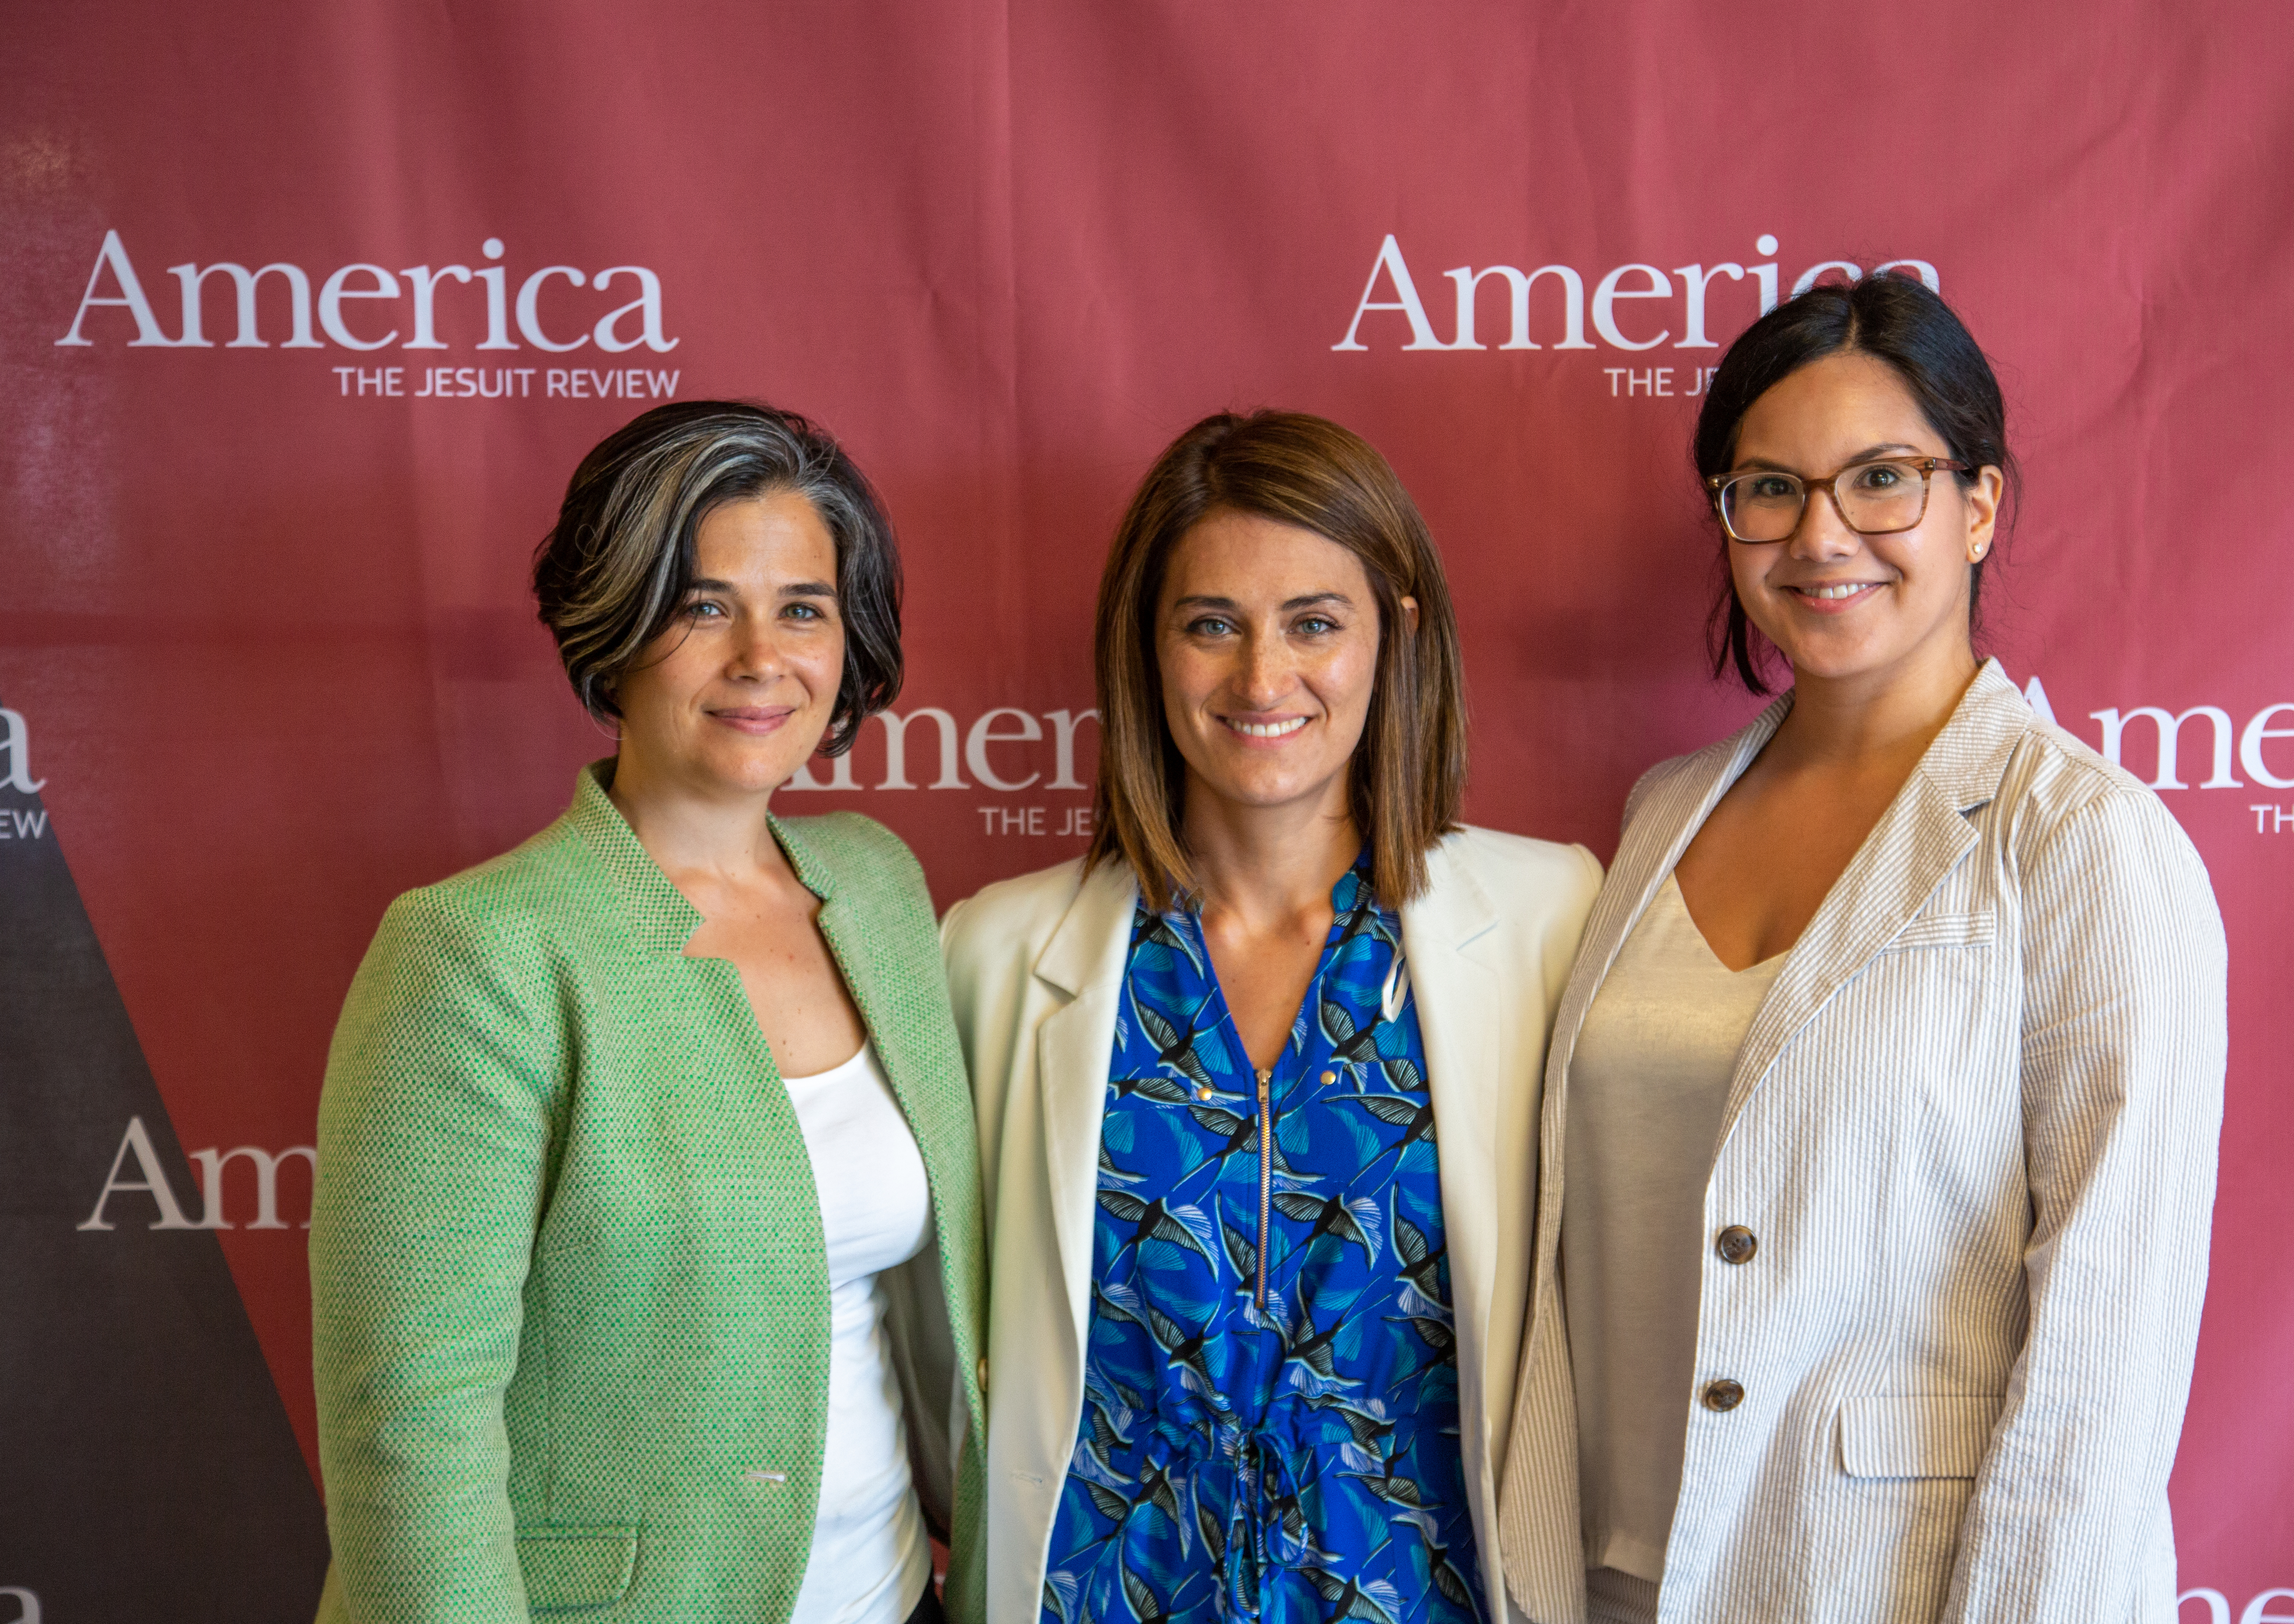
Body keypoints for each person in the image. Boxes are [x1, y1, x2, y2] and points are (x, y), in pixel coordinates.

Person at [1498, 276, 2229, 1624]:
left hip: (1876, 1588)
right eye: (1768, 487)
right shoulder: (1667, 810)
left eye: (1883, 478)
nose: (1821, 532)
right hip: (1611, 1578)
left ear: (1981, 505)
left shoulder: (2081, 841)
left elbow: (2106, 1355)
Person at [311, 402, 987, 1624]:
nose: (759, 657)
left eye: (802, 607)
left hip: (895, 1597)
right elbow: (408, 1427)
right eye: (700, 604)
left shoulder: (876, 886)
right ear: (613, 626)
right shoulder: (480, 952)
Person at [943, 412, 1602, 1624]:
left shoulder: (1548, 919)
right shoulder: (994, 954)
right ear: (1146, 648)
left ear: (1393, 635)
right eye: (1211, 626)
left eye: (1313, 622)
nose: (1261, 678)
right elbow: (939, 1360)